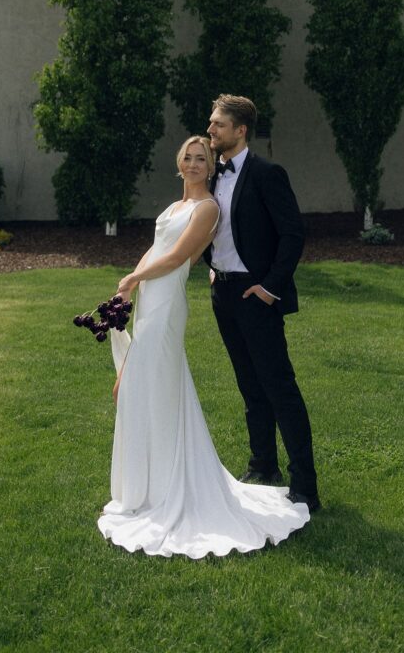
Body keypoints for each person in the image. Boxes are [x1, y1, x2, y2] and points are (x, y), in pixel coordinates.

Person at [97, 136, 310, 558]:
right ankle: (148, 483)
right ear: (178, 163)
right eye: (188, 157)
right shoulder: (175, 207)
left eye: (202, 158)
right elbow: (156, 248)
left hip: (166, 302)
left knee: (149, 379)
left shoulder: (207, 208)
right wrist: (129, 282)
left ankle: (168, 486)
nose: (194, 163)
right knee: (145, 385)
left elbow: (178, 257)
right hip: (148, 300)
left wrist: (135, 280)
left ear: (210, 166)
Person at [205, 94, 320, 511]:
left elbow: (293, 235)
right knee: (249, 386)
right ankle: (263, 466)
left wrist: (270, 288)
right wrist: (212, 265)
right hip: (224, 294)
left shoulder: (268, 174)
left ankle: (305, 486)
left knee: (279, 388)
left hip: (257, 295)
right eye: (211, 123)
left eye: (218, 124)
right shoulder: (212, 175)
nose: (211, 130)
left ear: (240, 130)